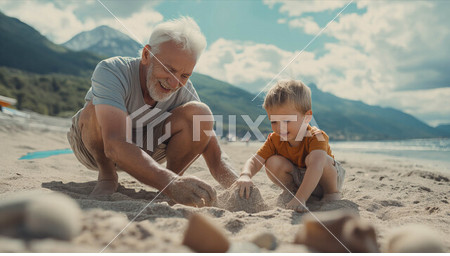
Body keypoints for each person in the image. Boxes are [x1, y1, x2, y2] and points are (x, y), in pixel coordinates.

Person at [67, 17, 238, 207]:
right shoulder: (112, 70)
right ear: (147, 55)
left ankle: (171, 184)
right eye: (169, 69)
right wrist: (169, 183)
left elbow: (212, 148)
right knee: (93, 108)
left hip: (146, 149)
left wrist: (240, 186)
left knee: (200, 113)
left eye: (184, 75)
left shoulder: (183, 88)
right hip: (93, 149)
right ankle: (108, 176)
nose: (174, 83)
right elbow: (114, 143)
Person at [234, 80, 345, 212]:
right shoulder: (274, 139)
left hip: (325, 180)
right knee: (271, 161)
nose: (280, 127)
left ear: (307, 117)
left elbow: (316, 166)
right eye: (274, 121)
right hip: (299, 180)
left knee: (318, 159)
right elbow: (255, 160)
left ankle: (330, 194)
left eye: (287, 120)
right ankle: (293, 192)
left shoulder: (317, 136)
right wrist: (245, 175)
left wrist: (301, 198)